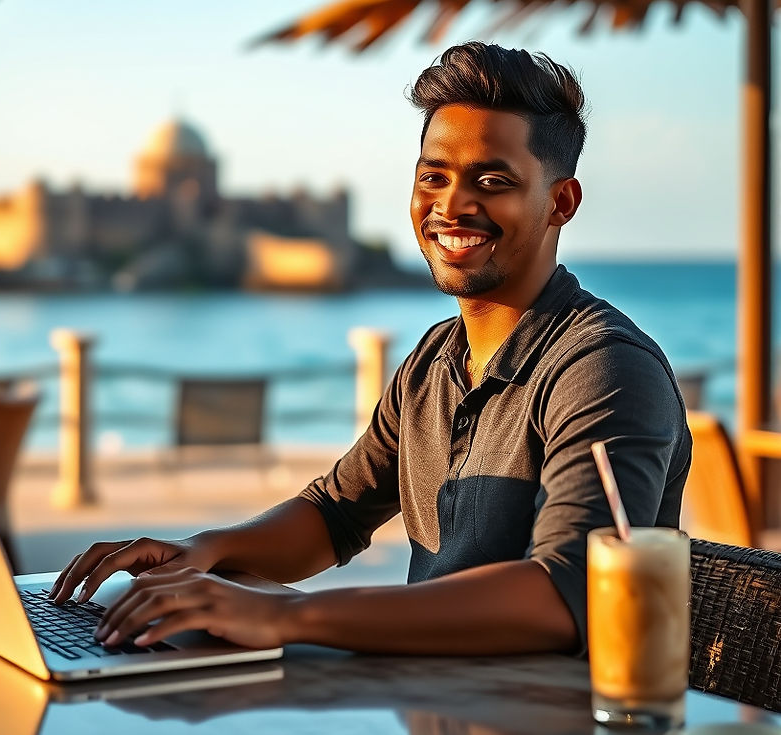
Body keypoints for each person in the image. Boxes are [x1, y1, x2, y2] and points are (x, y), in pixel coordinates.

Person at [49, 42, 691, 656]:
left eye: (492, 180)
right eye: (433, 177)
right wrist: (203, 552)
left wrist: (284, 615)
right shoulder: (435, 360)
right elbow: (334, 514)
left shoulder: (604, 368)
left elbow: (567, 595)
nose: (453, 204)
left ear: (560, 202)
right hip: (427, 704)